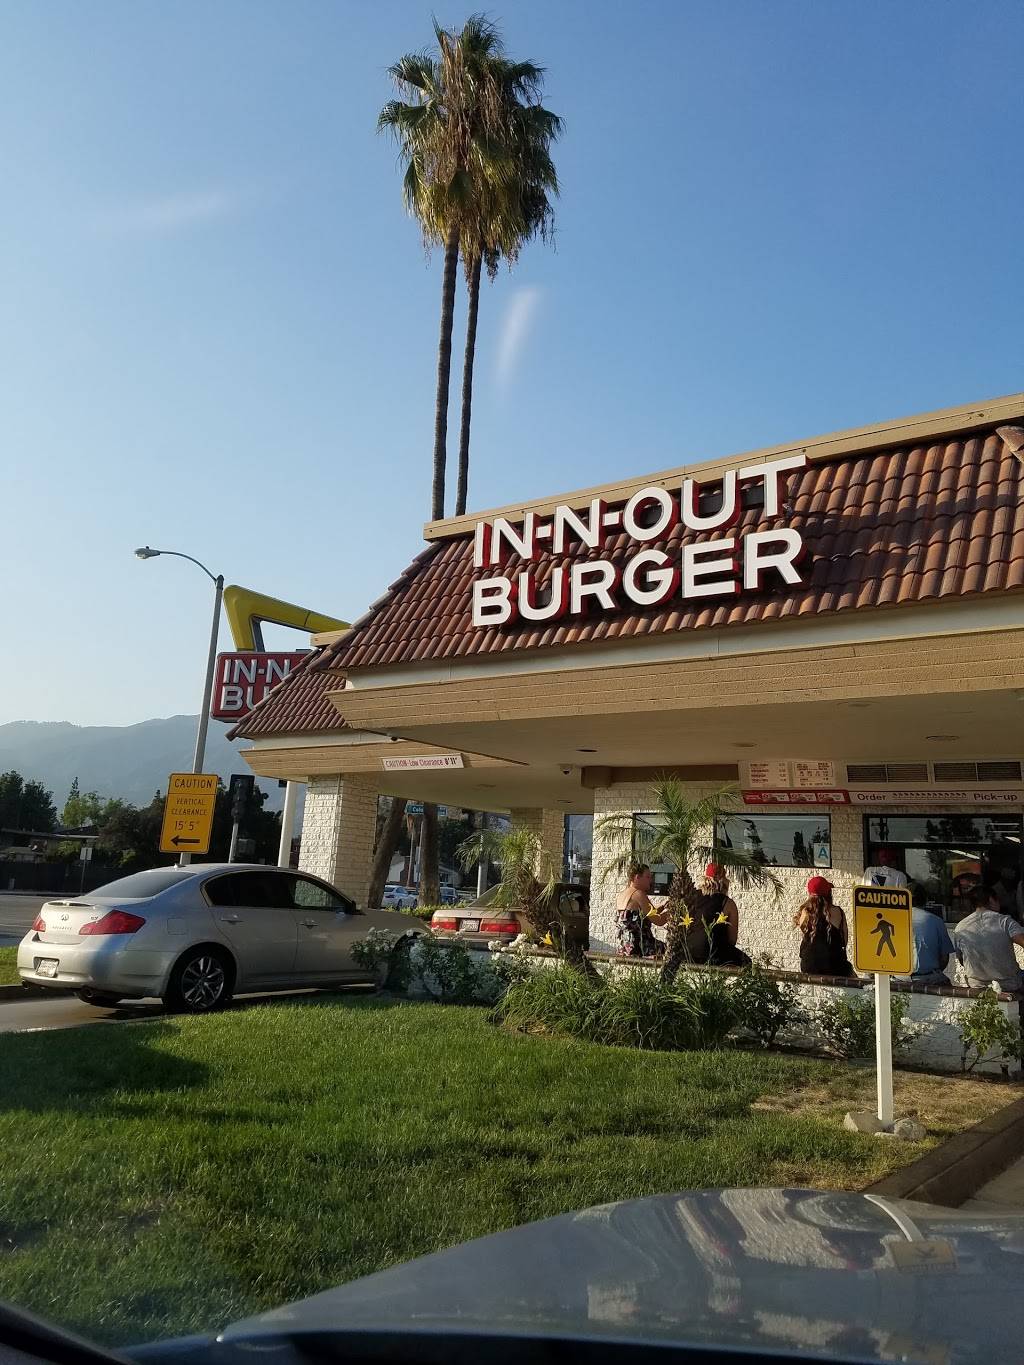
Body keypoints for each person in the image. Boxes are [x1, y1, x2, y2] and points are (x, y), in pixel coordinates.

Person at [952, 885, 1024, 992]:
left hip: (976, 985)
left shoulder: (960, 927)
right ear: (991, 900)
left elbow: (962, 959)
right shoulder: (1004, 921)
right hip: (1009, 984)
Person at [794, 875, 853, 977]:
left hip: (808, 966)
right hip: (834, 966)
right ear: (828, 893)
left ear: (810, 893)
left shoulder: (805, 912)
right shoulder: (837, 911)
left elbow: (805, 937)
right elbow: (845, 940)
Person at [896, 892, 956, 986]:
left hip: (899, 977)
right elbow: (945, 957)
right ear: (925, 901)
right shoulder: (936, 920)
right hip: (929, 976)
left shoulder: (894, 919)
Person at [701, 864, 751, 967]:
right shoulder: (728, 904)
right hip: (718, 953)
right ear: (723, 881)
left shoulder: (694, 899)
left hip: (695, 951)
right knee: (748, 964)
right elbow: (732, 939)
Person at [615, 862, 668, 959]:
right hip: (641, 947)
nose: (650, 880)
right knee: (673, 951)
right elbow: (658, 920)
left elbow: (643, 914)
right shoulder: (638, 894)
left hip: (625, 947)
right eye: (647, 877)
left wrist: (663, 907)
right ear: (637, 877)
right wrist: (675, 911)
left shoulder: (622, 895)